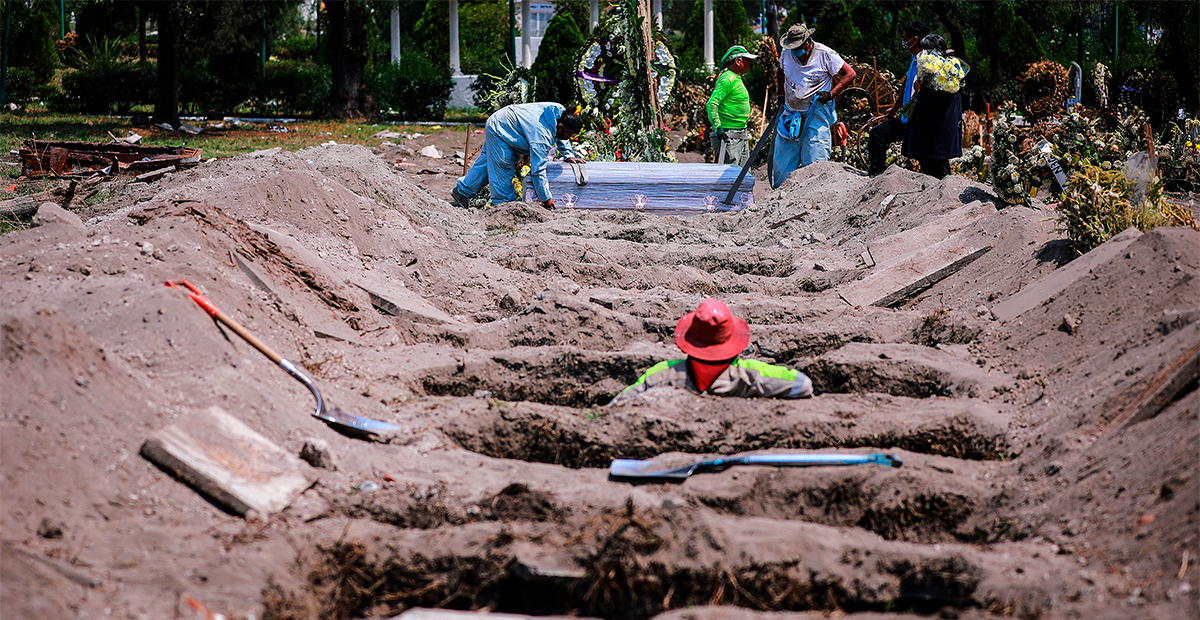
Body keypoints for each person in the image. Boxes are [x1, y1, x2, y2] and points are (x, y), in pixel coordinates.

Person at [610, 298, 813, 404]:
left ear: (690, 339)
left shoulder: (663, 373)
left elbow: (619, 403)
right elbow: (802, 386)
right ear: (731, 340)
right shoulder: (751, 374)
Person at [451, 102, 585, 209]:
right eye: (567, 136)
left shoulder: (560, 113)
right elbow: (538, 170)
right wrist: (546, 198)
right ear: (560, 127)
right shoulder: (541, 135)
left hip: (503, 121)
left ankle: (462, 192)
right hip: (501, 129)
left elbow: (560, 136)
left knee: (486, 163)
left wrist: (568, 154)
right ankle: (505, 206)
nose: (566, 139)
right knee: (504, 165)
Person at [771, 22, 856, 188]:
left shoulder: (825, 54)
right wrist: (781, 95)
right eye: (794, 50)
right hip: (791, 114)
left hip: (816, 114)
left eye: (800, 49)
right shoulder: (787, 53)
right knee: (782, 164)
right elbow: (780, 70)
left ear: (809, 42)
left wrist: (831, 94)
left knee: (815, 164)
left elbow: (850, 74)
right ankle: (779, 197)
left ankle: (815, 199)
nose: (798, 54)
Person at [866, 20, 931, 177]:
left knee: (925, 157)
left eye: (905, 38)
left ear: (914, 40)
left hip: (920, 119)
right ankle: (877, 174)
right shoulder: (914, 59)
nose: (904, 42)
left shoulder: (928, 61)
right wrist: (895, 109)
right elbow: (905, 85)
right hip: (907, 117)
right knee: (877, 134)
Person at [901, 35, 963, 180]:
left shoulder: (946, 71)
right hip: (933, 132)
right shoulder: (939, 69)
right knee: (931, 166)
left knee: (939, 169)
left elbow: (938, 99)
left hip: (937, 131)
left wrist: (919, 90)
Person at [707, 45, 758, 166]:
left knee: (742, 175)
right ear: (738, 61)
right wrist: (718, 128)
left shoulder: (737, 79)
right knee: (729, 176)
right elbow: (711, 104)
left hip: (740, 134)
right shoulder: (727, 79)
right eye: (747, 60)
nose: (750, 63)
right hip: (728, 136)